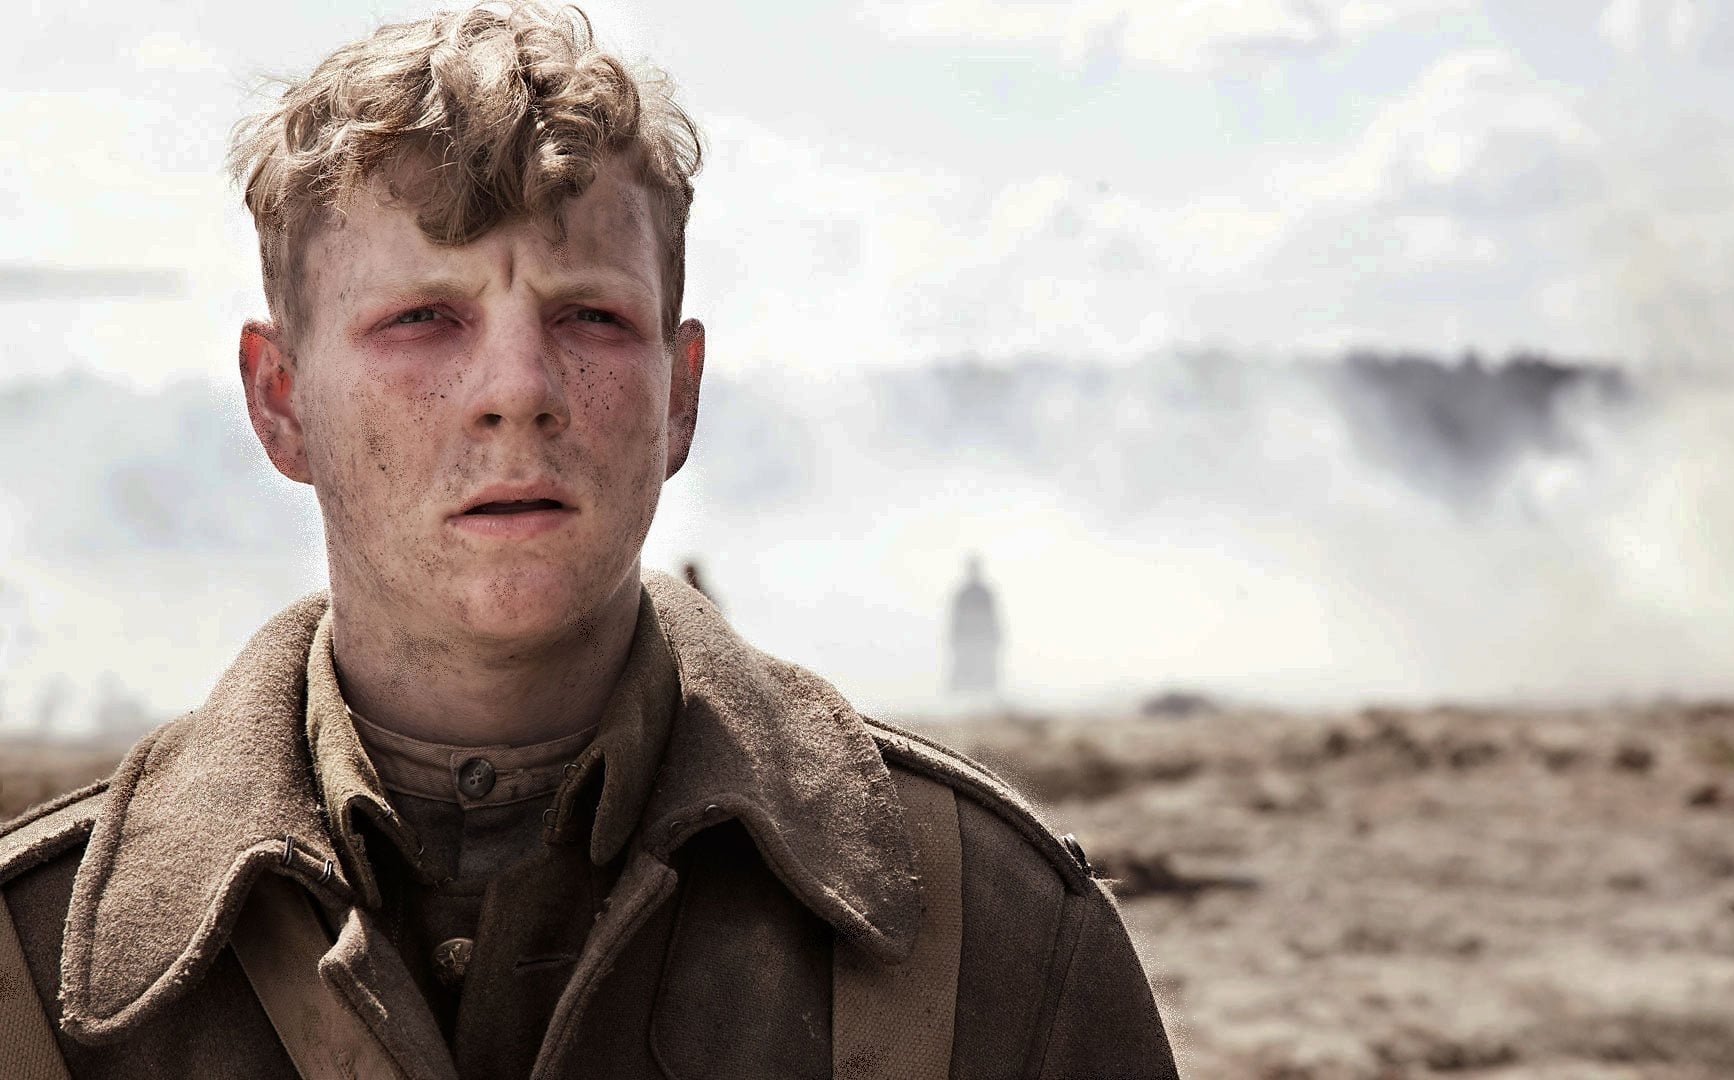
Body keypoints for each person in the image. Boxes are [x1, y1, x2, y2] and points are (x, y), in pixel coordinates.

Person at [0, 5, 1177, 1078]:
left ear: (680, 394)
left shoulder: (995, 941)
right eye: (423, 317)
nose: (518, 390)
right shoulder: (26, 977)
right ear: (280, 399)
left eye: (590, 316)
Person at [949, 553, 1003, 696]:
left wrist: (995, 637)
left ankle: (985, 701)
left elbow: (993, 617)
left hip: (982, 640)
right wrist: (955, 638)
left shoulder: (984, 593)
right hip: (968, 640)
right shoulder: (963, 594)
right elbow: (956, 618)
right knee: (965, 672)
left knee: (984, 674)